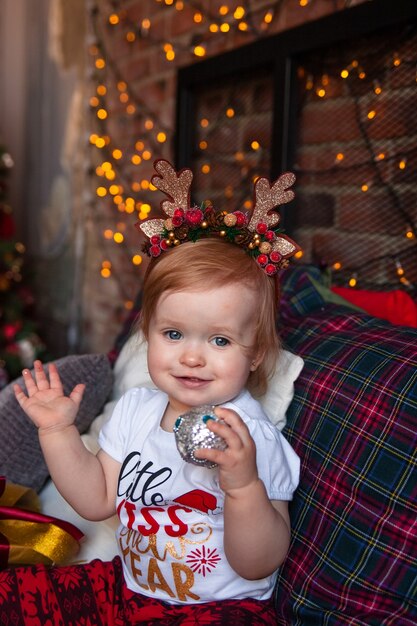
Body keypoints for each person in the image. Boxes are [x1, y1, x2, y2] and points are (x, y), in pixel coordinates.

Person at [3, 160, 301, 625]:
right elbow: (97, 499)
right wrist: (58, 431)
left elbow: (258, 562)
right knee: (14, 596)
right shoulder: (136, 409)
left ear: (258, 353)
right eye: (174, 334)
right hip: (128, 587)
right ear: (147, 334)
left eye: (220, 340)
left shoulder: (252, 436)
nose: (192, 357)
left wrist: (242, 486)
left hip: (218, 608)